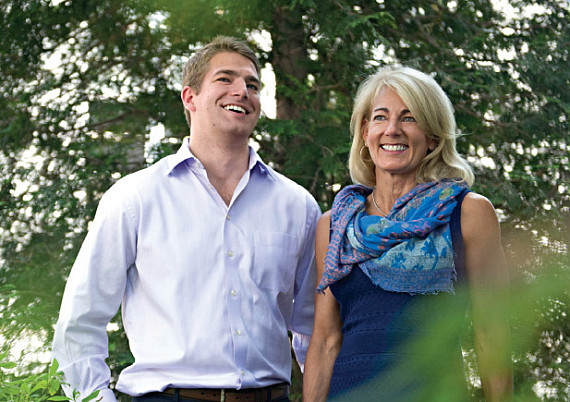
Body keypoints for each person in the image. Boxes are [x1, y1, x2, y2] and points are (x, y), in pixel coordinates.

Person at [52, 36, 321, 402]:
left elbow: (314, 329)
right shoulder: (136, 198)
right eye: (225, 79)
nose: (242, 90)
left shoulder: (298, 206)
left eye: (252, 84)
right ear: (190, 98)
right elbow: (80, 322)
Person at [303, 66, 512, 401]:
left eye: (409, 118)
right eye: (381, 117)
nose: (393, 130)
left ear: (432, 136)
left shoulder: (468, 214)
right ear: (365, 131)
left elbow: (491, 332)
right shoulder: (336, 224)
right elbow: (326, 339)